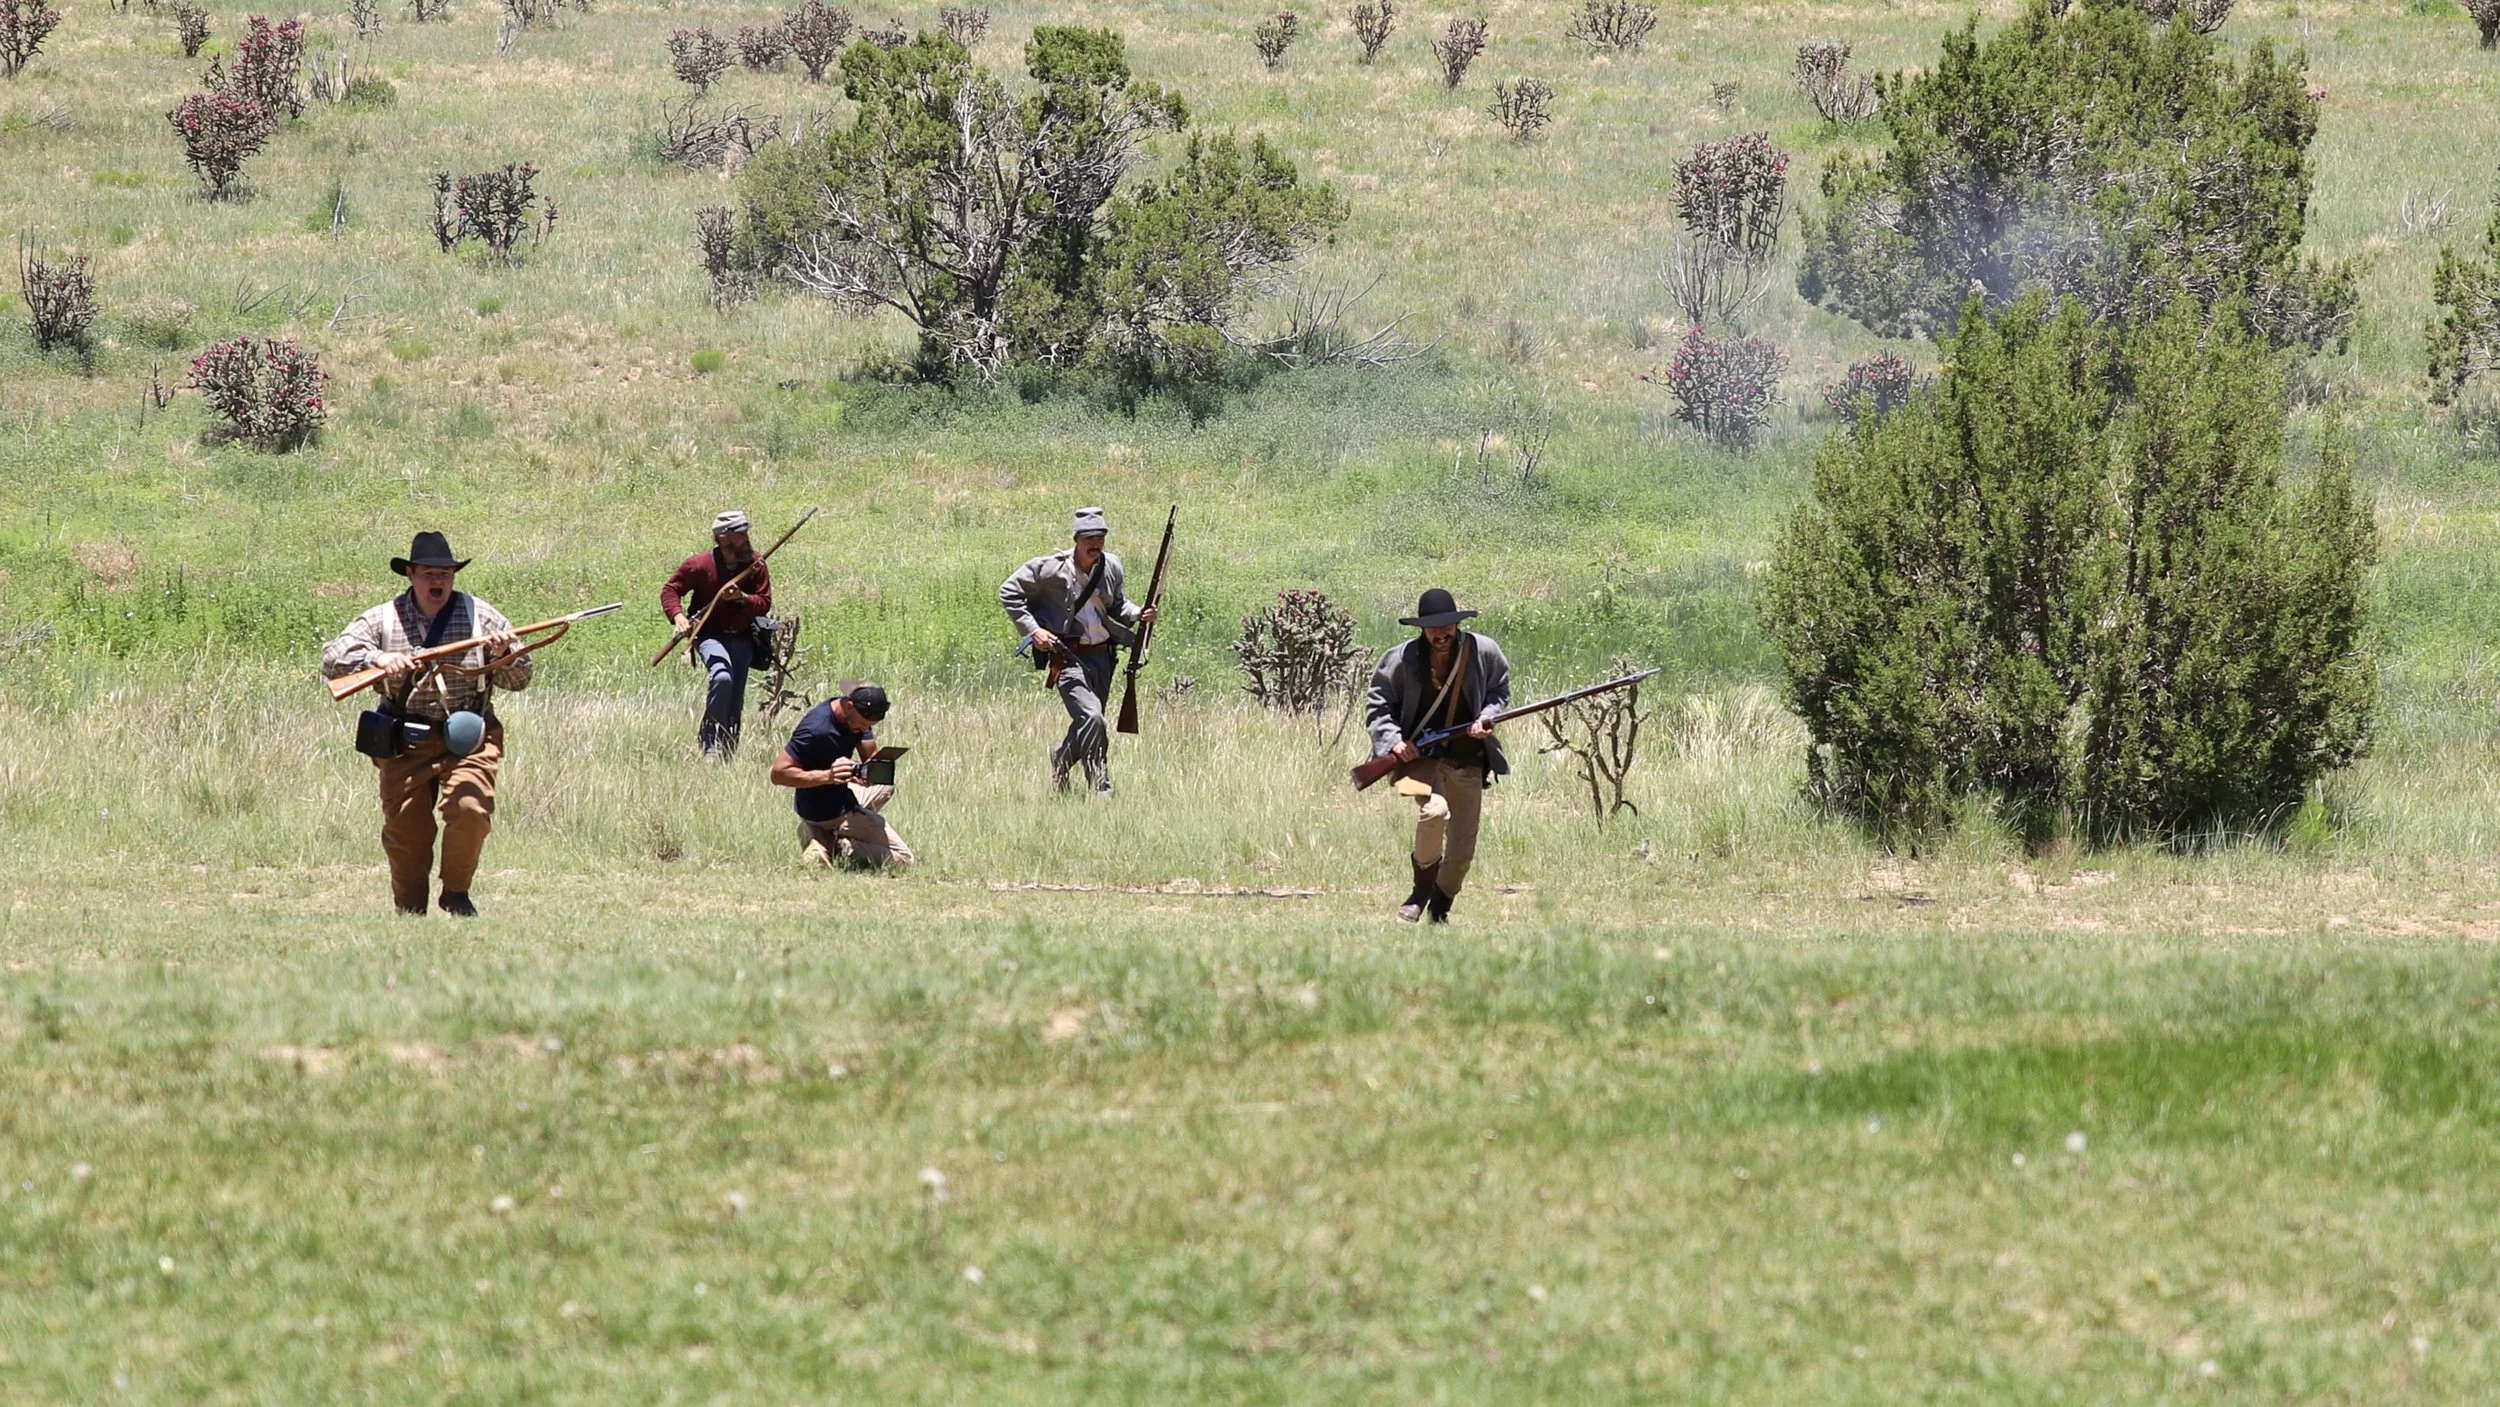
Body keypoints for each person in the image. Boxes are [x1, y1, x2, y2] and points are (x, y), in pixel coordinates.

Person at [319, 531, 530, 917]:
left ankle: (457, 893)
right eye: (430, 573)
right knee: (406, 837)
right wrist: (377, 659)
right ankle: (410, 914)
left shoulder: (481, 616)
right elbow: (331, 660)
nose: (439, 581)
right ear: (411, 574)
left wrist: (504, 655)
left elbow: (520, 680)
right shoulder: (382, 618)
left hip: (468, 738)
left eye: (446, 574)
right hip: (404, 742)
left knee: (470, 808)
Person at [1363, 588, 1511, 924]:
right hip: (1417, 760)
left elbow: (1499, 690)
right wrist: (1393, 742)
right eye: (1433, 628)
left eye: (1446, 627)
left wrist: (1485, 718)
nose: (1440, 634)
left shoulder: (1483, 650)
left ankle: (1439, 910)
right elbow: (1378, 705)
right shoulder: (1400, 658)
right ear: (1422, 629)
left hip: (1469, 759)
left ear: (1457, 625)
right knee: (1434, 812)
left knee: (1461, 852)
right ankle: (1419, 892)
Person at [998, 506, 1157, 795]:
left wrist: (1138, 614)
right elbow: (1008, 591)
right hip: (1068, 659)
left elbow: (1117, 606)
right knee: (1093, 718)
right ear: (1077, 539)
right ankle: (1102, 788)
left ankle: (1061, 757)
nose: (1095, 544)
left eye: (1100, 538)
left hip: (1103, 658)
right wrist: (1034, 631)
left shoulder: (1111, 566)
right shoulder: (1051, 568)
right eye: (1089, 538)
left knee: (1091, 723)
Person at [660, 509, 774, 758]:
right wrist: (678, 616)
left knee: (735, 700)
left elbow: (764, 603)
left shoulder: (755, 564)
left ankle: (727, 753)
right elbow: (671, 590)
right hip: (709, 635)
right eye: (740, 533)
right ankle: (709, 745)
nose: (746, 537)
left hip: (743, 638)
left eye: (746, 532)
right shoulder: (699, 564)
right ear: (723, 537)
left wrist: (742, 598)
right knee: (722, 677)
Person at [771, 682, 915, 871]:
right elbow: (778, 774)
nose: (865, 729)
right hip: (825, 809)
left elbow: (870, 757)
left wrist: (863, 772)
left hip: (839, 794)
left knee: (885, 785)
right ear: (848, 706)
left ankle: (820, 837)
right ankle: (841, 847)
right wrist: (828, 776)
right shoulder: (815, 729)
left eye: (869, 726)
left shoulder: (856, 716)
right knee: (904, 859)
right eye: (863, 725)